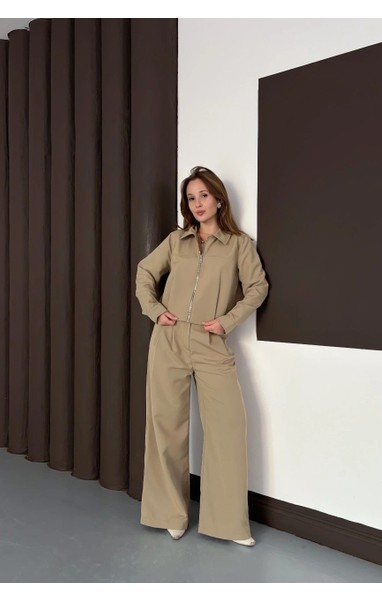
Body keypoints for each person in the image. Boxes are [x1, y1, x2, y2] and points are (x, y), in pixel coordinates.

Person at [135, 166, 269, 546]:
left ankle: (227, 522)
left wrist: (228, 321)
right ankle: (169, 513)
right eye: (191, 198)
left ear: (218, 199)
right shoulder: (176, 241)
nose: (197, 203)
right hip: (169, 339)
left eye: (203, 196)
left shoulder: (239, 244)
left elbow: (257, 287)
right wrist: (154, 310)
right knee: (166, 427)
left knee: (228, 428)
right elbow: (145, 273)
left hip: (212, 343)